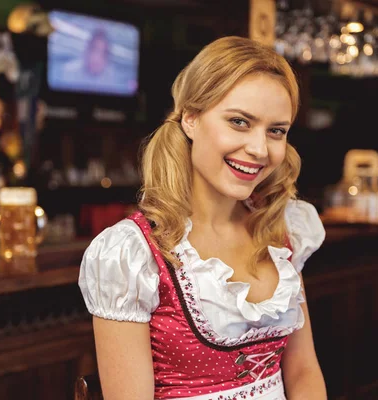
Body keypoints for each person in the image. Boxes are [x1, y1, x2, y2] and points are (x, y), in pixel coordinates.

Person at [79, 36, 327, 400]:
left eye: (276, 131)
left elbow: (304, 372)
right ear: (191, 119)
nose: (260, 149)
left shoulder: (282, 228)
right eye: (240, 122)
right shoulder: (133, 253)